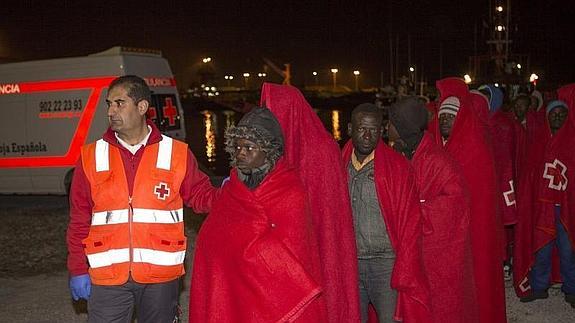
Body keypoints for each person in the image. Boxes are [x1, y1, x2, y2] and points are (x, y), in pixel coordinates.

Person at [66, 75, 218, 322]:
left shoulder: (176, 153)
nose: (111, 111)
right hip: (107, 277)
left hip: (160, 277)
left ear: (142, 107)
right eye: (109, 104)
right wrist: (77, 268)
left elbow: (202, 197)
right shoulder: (90, 156)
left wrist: (235, 191)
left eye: (119, 103)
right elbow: (79, 218)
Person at [189, 106, 329, 322]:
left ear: (269, 151)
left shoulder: (290, 192)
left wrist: (245, 250)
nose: (241, 153)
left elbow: (289, 260)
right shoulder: (232, 188)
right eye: (237, 147)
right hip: (231, 288)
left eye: (249, 147)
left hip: (273, 299)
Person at [261, 83, 361, 323]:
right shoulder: (274, 151)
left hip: (318, 246)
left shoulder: (322, 149)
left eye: (270, 110)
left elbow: (329, 216)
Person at [387, 97, 478, 323]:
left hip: (436, 254)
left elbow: (456, 204)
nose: (386, 128)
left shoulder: (439, 161)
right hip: (412, 247)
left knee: (438, 307)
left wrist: (413, 210)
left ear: (403, 126)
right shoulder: (402, 153)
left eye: (391, 123)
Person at [342, 103, 429, 322]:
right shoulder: (338, 165)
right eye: (362, 129)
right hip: (351, 262)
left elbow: (411, 220)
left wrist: (406, 265)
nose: (368, 136)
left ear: (382, 131)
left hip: (385, 264)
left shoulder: (398, 167)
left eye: (374, 129)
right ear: (350, 129)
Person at [431, 77, 507, 323]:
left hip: (471, 235)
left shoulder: (475, 148)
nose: (444, 120)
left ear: (460, 118)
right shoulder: (435, 146)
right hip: (444, 233)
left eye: (450, 116)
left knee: (476, 283)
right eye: (442, 116)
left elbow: (481, 203)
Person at [514, 88, 575, 308]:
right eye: (553, 113)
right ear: (547, 117)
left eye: (561, 113)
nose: (557, 116)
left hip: (566, 206)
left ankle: (571, 289)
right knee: (542, 247)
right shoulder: (539, 142)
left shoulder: (572, 142)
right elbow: (530, 175)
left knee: (568, 249)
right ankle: (540, 287)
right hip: (543, 206)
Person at [482, 84, 519, 279]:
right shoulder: (481, 121)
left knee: (500, 224)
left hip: (500, 181)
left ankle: (503, 261)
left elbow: (505, 159)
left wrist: (502, 184)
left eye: (487, 97)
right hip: (487, 181)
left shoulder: (503, 124)